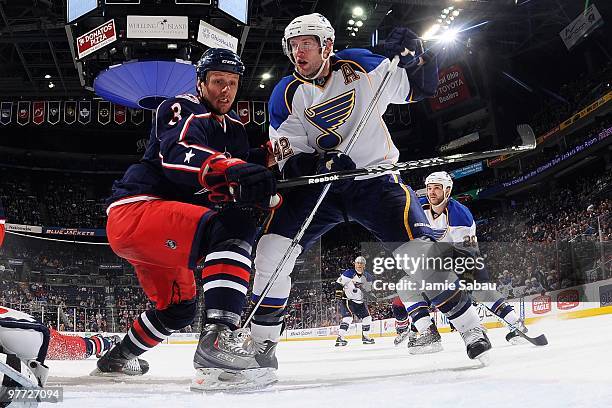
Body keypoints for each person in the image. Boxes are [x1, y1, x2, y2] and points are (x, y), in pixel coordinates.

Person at [244, 13, 491, 385]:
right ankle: (262, 346)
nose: (298, 51)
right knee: (270, 252)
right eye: (293, 45)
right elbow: (285, 156)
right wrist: (318, 161)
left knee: (417, 251)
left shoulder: (361, 63)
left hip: (374, 181)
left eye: (306, 43)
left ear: (327, 44)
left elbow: (419, 88)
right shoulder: (285, 93)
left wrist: (417, 56)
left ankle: (470, 327)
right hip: (319, 187)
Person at [98, 48, 278, 390]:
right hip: (137, 210)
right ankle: (218, 340)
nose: (225, 90)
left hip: (165, 227)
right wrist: (236, 170)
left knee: (178, 309)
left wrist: (266, 163)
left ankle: (116, 359)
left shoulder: (234, 128)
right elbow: (179, 153)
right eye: (217, 81)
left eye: (232, 83)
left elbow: (235, 172)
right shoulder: (181, 106)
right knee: (234, 226)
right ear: (201, 83)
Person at [394, 171, 527, 349]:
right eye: (429, 188)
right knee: (405, 285)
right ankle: (428, 332)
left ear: (447, 191)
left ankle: (516, 324)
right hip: (436, 261)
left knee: (480, 291)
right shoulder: (420, 208)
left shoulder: (460, 217)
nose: (432, 192)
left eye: (437, 189)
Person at [333, 256, 375, 346]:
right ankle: (340, 338)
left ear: (364, 265)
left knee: (367, 318)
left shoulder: (368, 276)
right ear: (355, 264)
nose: (359, 265)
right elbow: (339, 283)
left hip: (360, 302)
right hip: (348, 300)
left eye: (361, 263)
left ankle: (366, 337)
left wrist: (371, 296)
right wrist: (339, 293)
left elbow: (369, 290)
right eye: (358, 263)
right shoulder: (349, 273)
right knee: (348, 318)